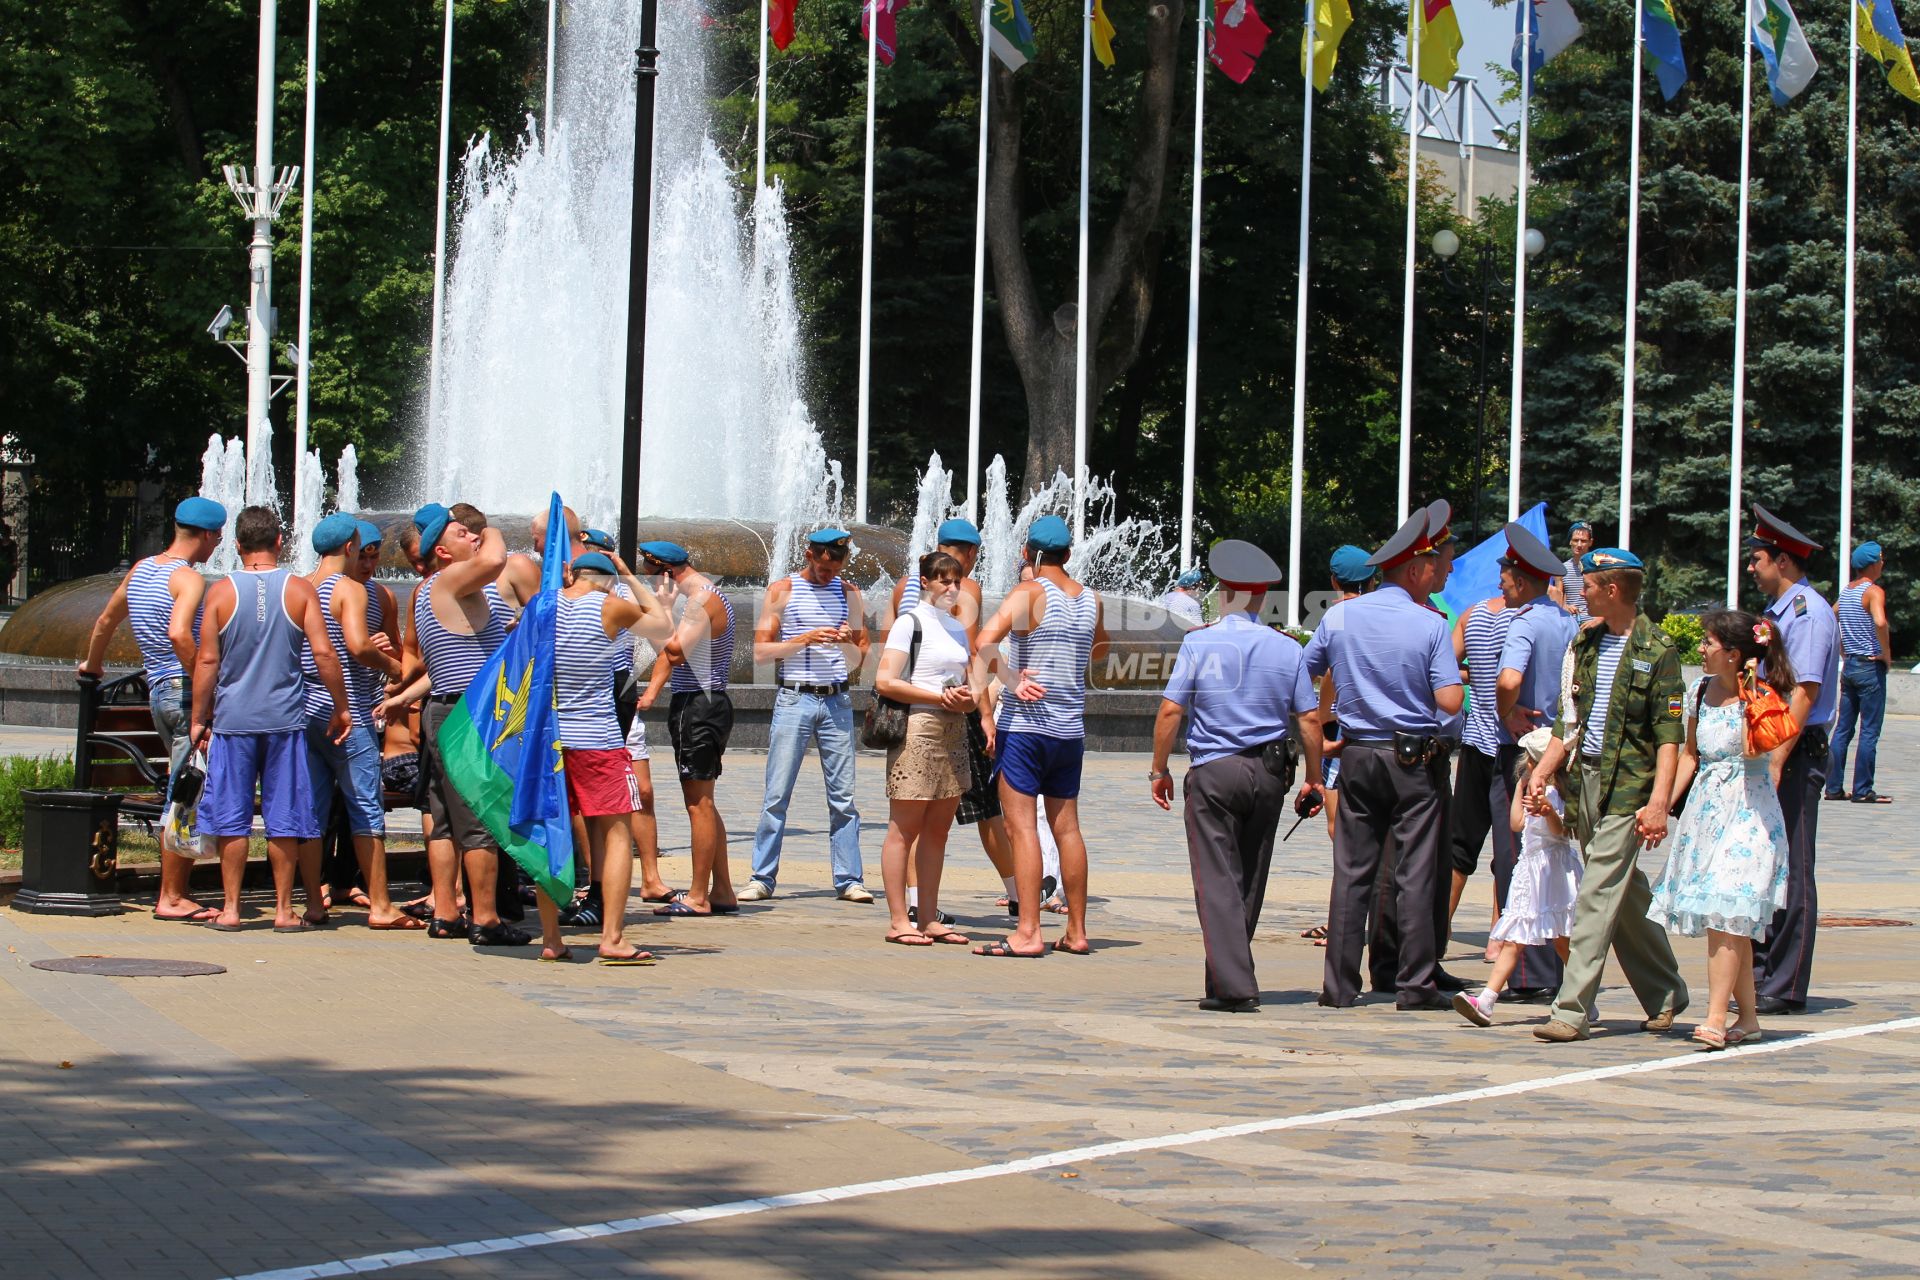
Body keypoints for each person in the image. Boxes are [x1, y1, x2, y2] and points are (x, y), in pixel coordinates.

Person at [1525, 547, 1690, 1043]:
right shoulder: (1588, 641)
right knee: (1626, 891)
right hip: (1587, 785)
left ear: (1612, 590)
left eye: (1590, 585)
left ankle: (1571, 1009)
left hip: (1630, 790)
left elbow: (1669, 737)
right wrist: (1545, 771)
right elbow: (1568, 719)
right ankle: (1666, 993)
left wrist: (1659, 802)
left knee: (1597, 893)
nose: (1582, 591)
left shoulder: (1658, 650)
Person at [1151, 539, 1323, 1011]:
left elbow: (1170, 712)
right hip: (1269, 773)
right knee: (1248, 877)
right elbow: (1308, 720)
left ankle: (1234, 986)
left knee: (1216, 878)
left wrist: (1158, 769)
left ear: (1224, 592)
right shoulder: (1286, 648)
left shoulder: (1200, 641)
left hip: (1214, 772)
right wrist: (1315, 777)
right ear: (1261, 598)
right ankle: (1225, 976)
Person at [1303, 508, 1462, 1009]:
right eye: (1431, 567)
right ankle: (1415, 984)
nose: (1435, 575)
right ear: (1413, 571)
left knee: (1351, 871)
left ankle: (1339, 986)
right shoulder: (1429, 624)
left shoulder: (1340, 616)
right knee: (1414, 872)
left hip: (1358, 755)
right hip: (1413, 759)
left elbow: (1302, 674)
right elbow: (1450, 702)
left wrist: (1328, 725)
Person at [190, 505, 352, 932]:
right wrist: (341, 707)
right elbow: (323, 653)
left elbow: (207, 660)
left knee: (232, 816)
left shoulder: (220, 593)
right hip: (285, 721)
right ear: (280, 542)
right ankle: (283, 910)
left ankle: (230, 909)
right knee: (285, 817)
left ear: (237, 545)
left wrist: (198, 717)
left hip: (233, 721)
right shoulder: (299, 590)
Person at [1646, 610, 1795, 1050]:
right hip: (1707, 814)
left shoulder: (1761, 698)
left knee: (1727, 913)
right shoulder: (1698, 691)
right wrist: (1660, 808)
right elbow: (1689, 756)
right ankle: (1747, 1019)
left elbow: (1775, 743)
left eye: (1710, 643)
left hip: (1750, 814)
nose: (1702, 649)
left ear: (1733, 654)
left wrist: (1752, 691)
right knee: (1730, 918)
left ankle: (1715, 1017)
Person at [79, 496, 226, 922]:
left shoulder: (142, 569)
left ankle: (176, 892)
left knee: (184, 784)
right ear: (205, 535)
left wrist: (92, 665)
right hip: (183, 693)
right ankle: (172, 898)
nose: (217, 546)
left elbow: (105, 621)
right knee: (187, 791)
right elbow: (180, 634)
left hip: (159, 692)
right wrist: (204, 686)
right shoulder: (188, 579)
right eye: (216, 538)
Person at [972, 514, 1110, 958]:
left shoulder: (1028, 592)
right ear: (1069, 555)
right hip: (1069, 730)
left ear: (1027, 554)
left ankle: (1028, 931)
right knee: (1067, 828)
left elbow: (983, 644)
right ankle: (1076, 930)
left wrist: (1012, 680)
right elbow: (1101, 652)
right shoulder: (1092, 600)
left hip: (1026, 728)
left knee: (1022, 828)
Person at [406, 501, 529, 945]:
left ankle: (445, 912)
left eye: (470, 533)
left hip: (445, 708)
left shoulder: (432, 589)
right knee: (479, 819)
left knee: (440, 818)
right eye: (461, 535)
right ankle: (486, 919)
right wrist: (488, 528)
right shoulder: (450, 579)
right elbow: (496, 559)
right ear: (441, 551)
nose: (472, 540)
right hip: (470, 713)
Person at [888, 518, 1018, 924]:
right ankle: (1018, 894)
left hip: (924, 714)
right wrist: (984, 712)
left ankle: (915, 903)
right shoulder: (968, 588)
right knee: (984, 806)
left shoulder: (902, 588)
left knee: (920, 818)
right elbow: (975, 654)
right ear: (972, 552)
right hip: (942, 715)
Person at [554, 551, 673, 963]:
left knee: (554, 830)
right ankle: (614, 936)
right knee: (619, 832)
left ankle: (552, 939)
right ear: (607, 579)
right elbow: (662, 626)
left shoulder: (544, 605)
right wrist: (629, 575)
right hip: (598, 738)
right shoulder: (608, 604)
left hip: (554, 738)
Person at [1745, 504, 1839, 1016]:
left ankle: (1784, 982)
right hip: (1773, 746)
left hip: (1794, 751)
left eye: (1757, 558)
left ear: (1782, 560)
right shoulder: (1780, 614)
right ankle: (1761, 972)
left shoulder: (1808, 614)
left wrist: (1778, 759)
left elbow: (1803, 693)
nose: (1751, 568)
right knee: (1769, 862)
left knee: (1794, 866)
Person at [299, 514, 412, 929]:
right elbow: (358, 646)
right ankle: (382, 905)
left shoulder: (301, 587)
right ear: (349, 547)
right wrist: (392, 666)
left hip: (305, 711)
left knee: (311, 809)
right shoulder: (349, 590)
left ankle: (313, 903)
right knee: (366, 806)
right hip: (349, 714)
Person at [746, 528, 872, 902]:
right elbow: (760, 652)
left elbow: (863, 653)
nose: (827, 574)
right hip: (795, 698)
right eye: (821, 566)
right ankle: (762, 877)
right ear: (809, 555)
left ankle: (850, 879)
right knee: (777, 793)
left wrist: (850, 640)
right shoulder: (783, 589)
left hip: (836, 700)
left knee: (843, 797)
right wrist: (803, 639)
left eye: (834, 568)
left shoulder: (849, 593)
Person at [1487, 522, 1579, 993]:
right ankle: (1558, 969)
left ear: (1522, 581)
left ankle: (1527, 974)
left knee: (1517, 856)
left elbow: (1507, 680)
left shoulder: (1524, 622)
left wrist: (1507, 714)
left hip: (1526, 752)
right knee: (1556, 857)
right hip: (1562, 750)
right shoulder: (1568, 620)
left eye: (1504, 581)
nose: (1500, 588)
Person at [875, 551, 977, 946]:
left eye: (957, 581)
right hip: (918, 729)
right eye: (943, 581)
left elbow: (963, 682)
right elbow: (886, 681)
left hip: (954, 730)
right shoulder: (909, 621)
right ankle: (899, 919)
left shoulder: (956, 626)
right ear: (925, 582)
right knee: (904, 828)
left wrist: (968, 701)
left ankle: (929, 917)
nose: (952, 588)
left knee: (938, 831)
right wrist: (939, 698)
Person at [637, 540, 741, 917]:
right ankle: (724, 890)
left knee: (698, 804)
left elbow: (675, 651)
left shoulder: (701, 599)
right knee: (704, 804)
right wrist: (653, 691)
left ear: (665, 570)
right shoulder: (704, 596)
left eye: (653, 577)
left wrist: (662, 614)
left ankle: (698, 896)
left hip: (699, 705)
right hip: (702, 703)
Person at [1455, 728, 1578, 1026]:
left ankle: (1581, 998)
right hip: (1530, 872)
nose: (1524, 767)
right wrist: (1521, 789)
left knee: (1562, 942)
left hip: (1553, 873)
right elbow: (1516, 824)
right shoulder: (1531, 791)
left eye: (1528, 763)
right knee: (1515, 939)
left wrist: (1548, 810)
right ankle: (1486, 1000)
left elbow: (1561, 831)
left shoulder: (1556, 794)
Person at [1826, 540, 1891, 804]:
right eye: (1881, 558)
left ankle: (1833, 787)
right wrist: (1886, 653)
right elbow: (1880, 621)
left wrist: (1843, 646)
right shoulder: (1873, 591)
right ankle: (1863, 790)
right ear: (1873, 564)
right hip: (1869, 665)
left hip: (1851, 665)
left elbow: (1832, 616)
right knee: (1869, 730)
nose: (1883, 563)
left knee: (1843, 729)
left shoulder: (1848, 591)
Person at [1553, 521, 1593, 619]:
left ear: (1590, 542)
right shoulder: (1562, 569)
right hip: (1571, 622)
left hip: (1594, 623)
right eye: (1575, 540)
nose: (1579, 545)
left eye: (1583, 541)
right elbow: (1558, 598)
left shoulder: (1597, 567)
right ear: (1570, 541)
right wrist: (1565, 606)